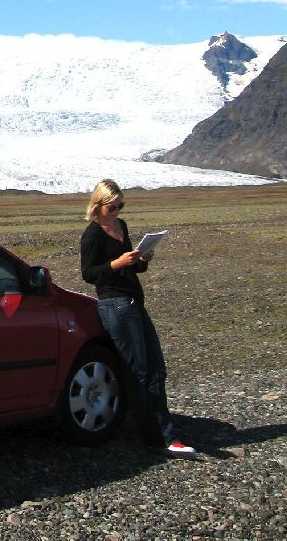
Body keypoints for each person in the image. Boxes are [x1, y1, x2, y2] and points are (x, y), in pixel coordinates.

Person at [79, 179, 195, 457]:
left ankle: (162, 434)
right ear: (98, 205)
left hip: (133, 301)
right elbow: (89, 273)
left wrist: (142, 260)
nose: (117, 211)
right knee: (139, 371)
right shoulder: (92, 235)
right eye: (112, 206)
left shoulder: (122, 227)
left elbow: (134, 270)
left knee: (156, 368)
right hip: (115, 305)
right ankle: (156, 437)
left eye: (121, 205)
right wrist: (116, 264)